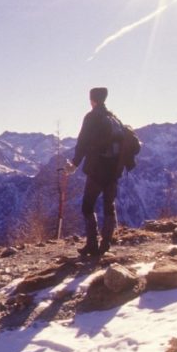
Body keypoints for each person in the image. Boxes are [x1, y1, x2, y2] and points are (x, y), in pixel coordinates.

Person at [67, 87, 121, 256]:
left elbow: (82, 142)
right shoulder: (114, 118)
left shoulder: (91, 117)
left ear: (93, 99)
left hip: (97, 169)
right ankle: (106, 243)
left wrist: (74, 164)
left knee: (87, 205)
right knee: (109, 205)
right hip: (114, 170)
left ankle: (92, 243)